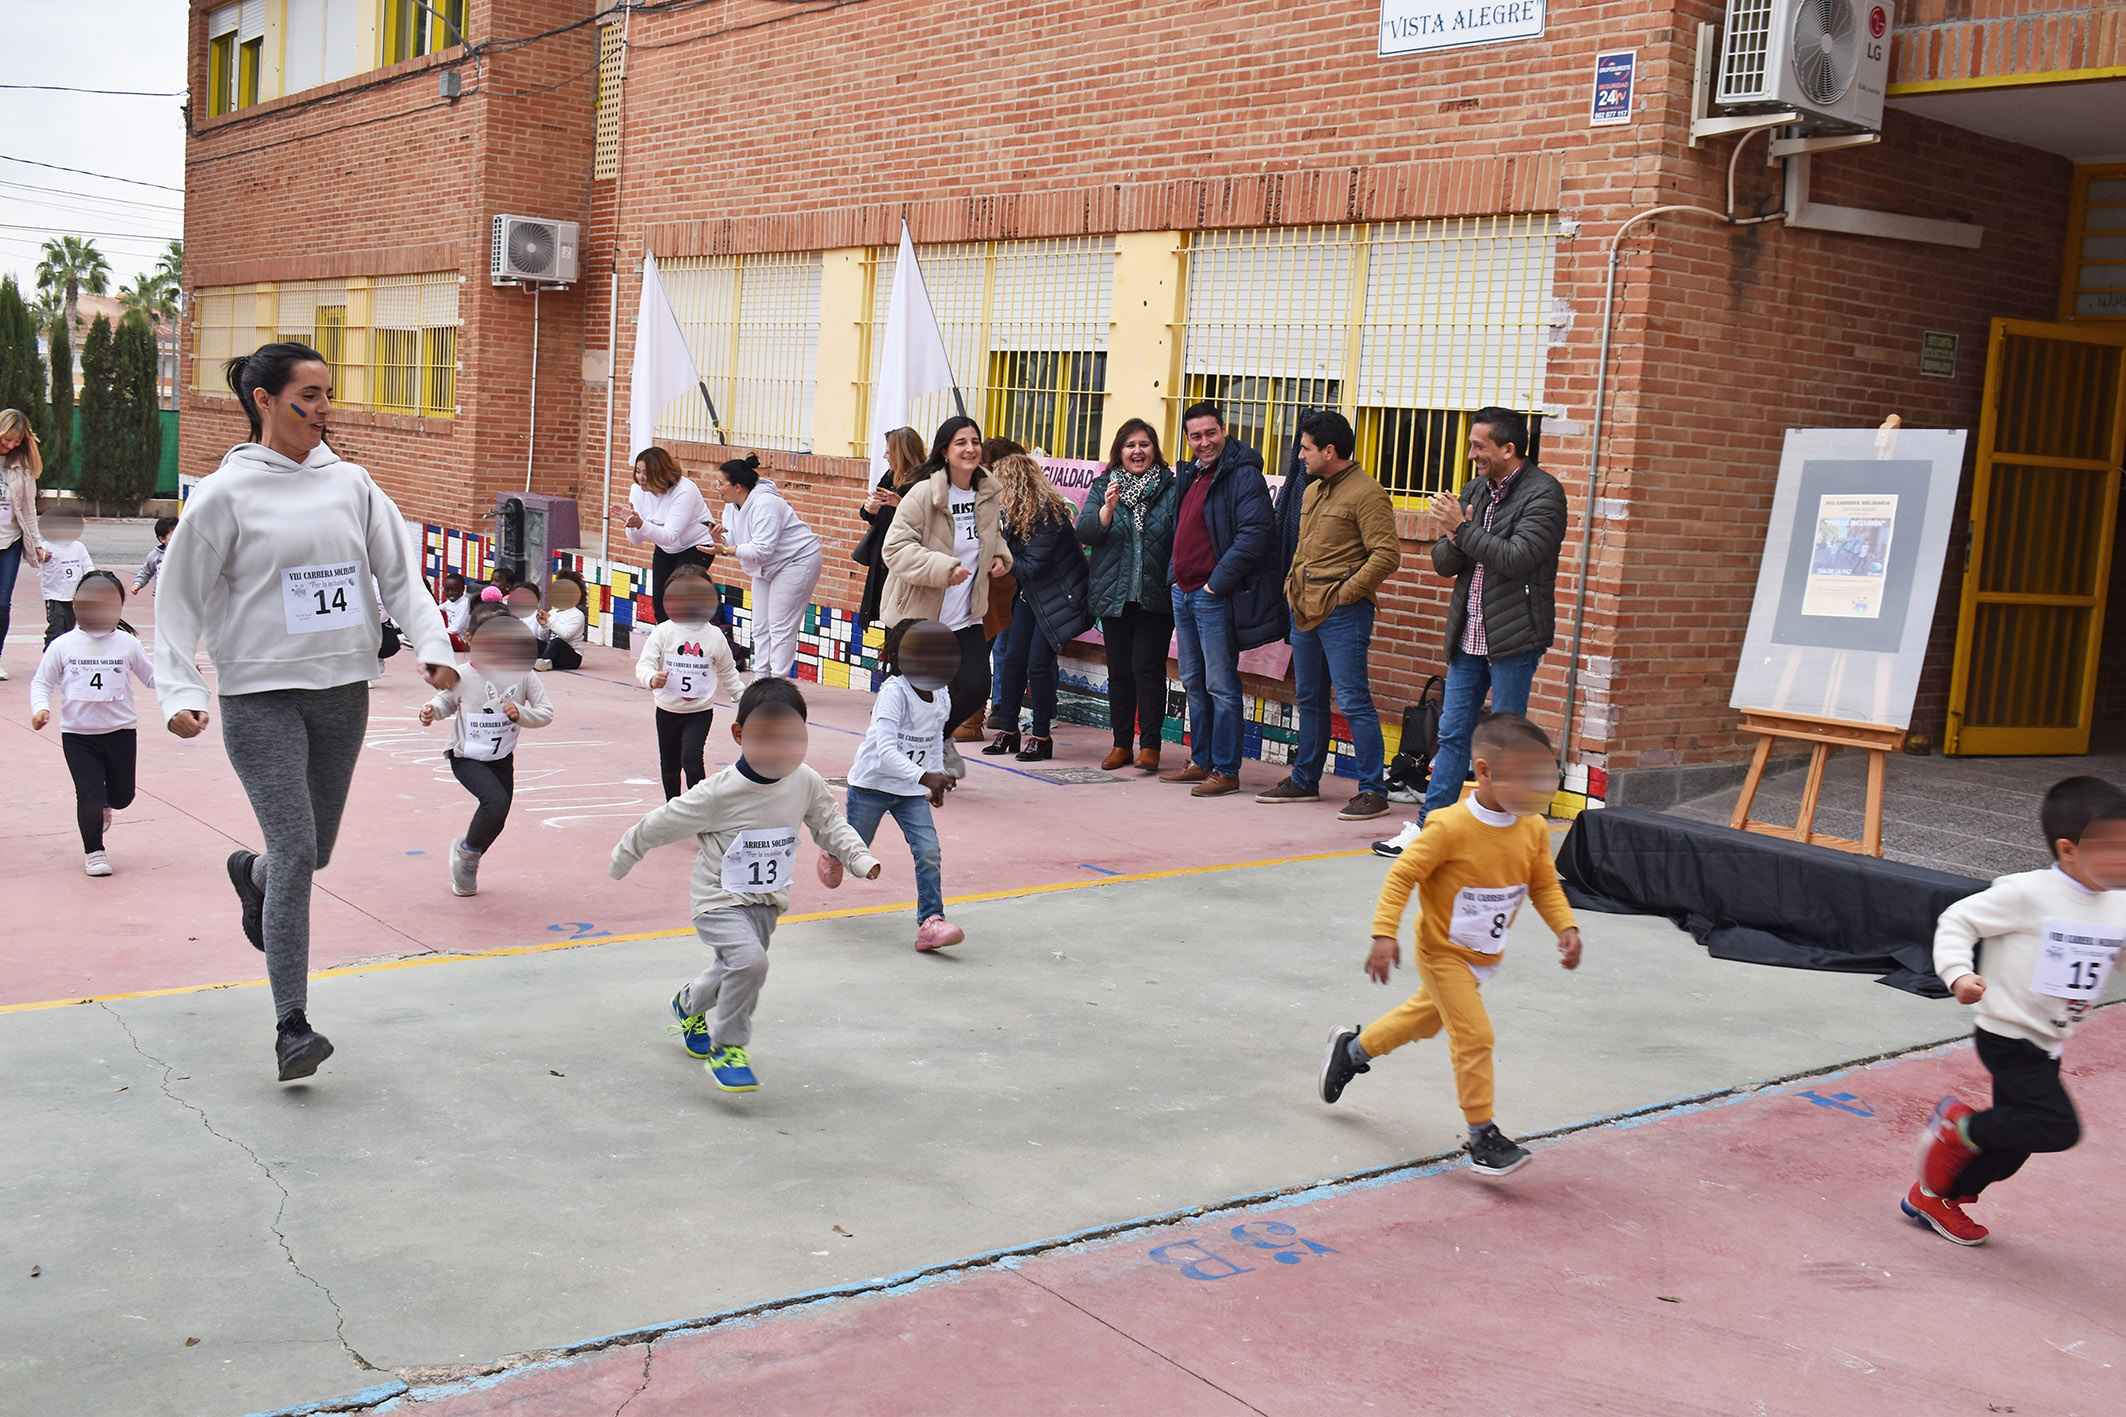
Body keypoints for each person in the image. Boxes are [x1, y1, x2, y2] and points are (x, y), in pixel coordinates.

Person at [155, 342, 457, 1083]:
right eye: (310, 395)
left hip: (341, 691)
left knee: (309, 855)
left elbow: (400, 576)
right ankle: (292, 1022)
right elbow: (177, 601)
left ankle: (250, 875)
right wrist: (182, 692)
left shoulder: (352, 484)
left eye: (328, 394)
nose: (325, 409)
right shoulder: (225, 494)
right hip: (258, 695)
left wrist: (433, 642)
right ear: (264, 400)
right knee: (296, 850)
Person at [1317, 713, 1581, 1178]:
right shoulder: (1448, 827)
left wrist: (1565, 926)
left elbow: (1543, 883)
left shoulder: (1533, 829)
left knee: (1423, 1018)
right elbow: (1402, 875)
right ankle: (1482, 1136)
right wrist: (1384, 932)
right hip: (1442, 952)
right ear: (1483, 772)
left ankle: (1353, 1051)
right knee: (1475, 1036)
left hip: (1484, 955)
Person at [610, 678, 881, 1093]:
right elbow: (662, 822)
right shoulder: (719, 793)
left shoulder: (805, 781)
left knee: (736, 968)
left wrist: (858, 857)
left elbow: (828, 822)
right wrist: (625, 855)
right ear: (740, 734)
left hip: (767, 902)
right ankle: (728, 1048)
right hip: (718, 899)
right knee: (750, 963)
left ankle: (687, 1004)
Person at [1906, 776, 2126, 1246]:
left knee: (2017, 1140)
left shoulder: (2117, 904)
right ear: (2069, 850)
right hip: (2008, 1035)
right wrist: (1957, 973)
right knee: (2056, 1127)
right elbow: (1958, 920)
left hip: (2049, 1040)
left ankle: (1936, 1196)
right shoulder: (2029, 894)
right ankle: (1959, 1127)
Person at [1424, 407, 1568, 823]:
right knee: (1452, 734)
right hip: (1468, 633)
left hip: (1514, 636)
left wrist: (1463, 531)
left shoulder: (1544, 494)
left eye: (1479, 446)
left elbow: (1518, 558)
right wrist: (1454, 534)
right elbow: (1443, 563)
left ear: (1508, 448)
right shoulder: (1474, 490)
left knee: (1506, 740)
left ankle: (1509, 830)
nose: (1471, 455)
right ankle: (1431, 826)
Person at [1257, 410, 1402, 821]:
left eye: (1305, 448)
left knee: (1354, 700)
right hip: (1304, 608)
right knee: (1309, 698)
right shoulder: (1311, 489)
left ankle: (1373, 790)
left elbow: (1386, 554)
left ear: (1329, 450)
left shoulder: (1367, 492)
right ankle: (1305, 780)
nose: (1300, 456)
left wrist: (1346, 594)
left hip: (1343, 613)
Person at [1160, 402, 1285, 798]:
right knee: (1194, 681)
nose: (1203, 442)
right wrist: (1175, 580)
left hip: (1212, 596)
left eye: (1210, 433)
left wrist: (1215, 585)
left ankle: (1226, 770)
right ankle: (1202, 760)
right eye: (1195, 436)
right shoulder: (1192, 473)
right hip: (1185, 592)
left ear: (1224, 430)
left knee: (1221, 685)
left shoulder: (1242, 474)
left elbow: (1256, 534)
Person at [881, 416, 1012, 778]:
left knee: (974, 687)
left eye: (975, 441)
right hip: (922, 615)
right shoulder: (924, 494)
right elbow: (894, 549)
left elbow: (990, 536)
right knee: (914, 696)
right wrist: (942, 568)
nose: (970, 449)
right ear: (945, 451)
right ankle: (892, 759)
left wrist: (1000, 557)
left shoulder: (986, 493)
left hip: (967, 612)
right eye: (960, 443)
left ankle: (935, 739)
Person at [837, 618, 966, 951]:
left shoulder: (941, 695)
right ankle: (833, 851)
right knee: (856, 853)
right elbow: (885, 751)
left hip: (909, 792)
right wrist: (924, 775)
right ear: (902, 658)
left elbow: (935, 737)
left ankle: (930, 922)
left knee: (929, 851)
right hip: (872, 786)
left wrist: (934, 779)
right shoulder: (894, 693)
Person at [421, 606, 555, 897]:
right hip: (466, 757)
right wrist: (432, 710)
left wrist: (520, 713)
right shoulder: (461, 675)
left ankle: (468, 852)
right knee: (493, 801)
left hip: (501, 758)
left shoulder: (524, 675)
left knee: (499, 816)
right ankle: (468, 859)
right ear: (470, 640)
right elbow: (446, 699)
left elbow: (545, 713)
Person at [29, 571, 153, 876]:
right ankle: (94, 852)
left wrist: (183, 675)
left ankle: (108, 805)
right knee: (88, 793)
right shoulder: (63, 645)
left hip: (121, 732)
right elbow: (41, 683)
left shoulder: (127, 644)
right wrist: (40, 708)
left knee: (123, 796)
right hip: (78, 735)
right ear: (75, 605)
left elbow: (152, 678)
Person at [1078, 418, 1177, 773]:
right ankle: (1121, 744)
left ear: (1155, 451)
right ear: (1120, 451)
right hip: (1114, 595)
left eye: (1145, 445)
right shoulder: (1104, 485)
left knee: (1147, 668)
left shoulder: (1171, 488)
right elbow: (1085, 531)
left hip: (1154, 595)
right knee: (1120, 670)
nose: (1138, 451)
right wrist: (1105, 511)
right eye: (1130, 445)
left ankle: (1150, 746)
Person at [983, 452, 1092, 763]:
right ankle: (1008, 731)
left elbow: (1032, 567)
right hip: (1032, 597)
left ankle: (1041, 737)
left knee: (1038, 665)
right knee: (1013, 659)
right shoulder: (1017, 515)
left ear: (1013, 484)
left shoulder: (1047, 516)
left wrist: (1002, 560)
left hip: (1059, 600)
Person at [636, 564, 745, 800]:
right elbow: (644, 665)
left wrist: (744, 699)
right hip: (667, 710)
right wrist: (651, 678)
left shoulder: (714, 635)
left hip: (699, 711)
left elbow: (728, 671)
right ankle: (672, 809)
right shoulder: (663, 632)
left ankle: (699, 807)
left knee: (692, 759)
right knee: (670, 765)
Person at [710, 453, 823, 680]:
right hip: (766, 567)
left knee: (781, 626)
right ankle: (761, 679)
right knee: (761, 625)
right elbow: (736, 543)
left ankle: (778, 684)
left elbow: (762, 549)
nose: (718, 488)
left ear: (738, 486)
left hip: (797, 561)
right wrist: (719, 540)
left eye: (721, 483)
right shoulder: (732, 506)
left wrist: (723, 550)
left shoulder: (766, 503)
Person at [612, 447, 717, 624]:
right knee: (660, 602)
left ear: (661, 473)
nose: (641, 478)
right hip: (665, 547)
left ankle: (689, 645)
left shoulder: (684, 490)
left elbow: (670, 535)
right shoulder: (637, 490)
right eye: (638, 471)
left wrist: (641, 524)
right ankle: (665, 646)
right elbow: (636, 540)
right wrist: (631, 524)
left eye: (647, 473)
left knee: (679, 598)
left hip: (696, 545)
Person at [855, 426, 927, 629]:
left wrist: (894, 507)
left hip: (907, 562)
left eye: (889, 451)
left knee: (901, 622)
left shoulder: (925, 481)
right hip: (885, 559)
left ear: (901, 452)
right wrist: (869, 509)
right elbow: (873, 509)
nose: (885, 456)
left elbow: (922, 522)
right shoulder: (892, 474)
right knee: (888, 618)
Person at [0, 407, 47, 679]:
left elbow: (29, 509)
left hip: (10, 541)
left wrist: (37, 543)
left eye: (17, 442)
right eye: (7, 439)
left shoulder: (22, 467)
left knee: (2, 603)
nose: (10, 445)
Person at [37, 505, 94, 647]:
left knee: (69, 627)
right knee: (56, 626)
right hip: (54, 595)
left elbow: (87, 566)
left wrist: (91, 581)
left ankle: (64, 654)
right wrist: (41, 556)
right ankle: (50, 652)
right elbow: (34, 556)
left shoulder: (79, 547)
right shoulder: (47, 546)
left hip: (74, 596)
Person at [531, 569, 589, 671]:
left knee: (557, 642)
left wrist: (549, 620)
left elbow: (566, 634)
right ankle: (541, 661)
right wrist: (544, 626)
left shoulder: (577, 614)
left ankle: (543, 661)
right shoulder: (553, 613)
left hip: (570, 658)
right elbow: (543, 639)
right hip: (552, 653)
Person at [133, 516, 179, 593]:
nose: (178, 539)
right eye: (174, 536)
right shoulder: (156, 555)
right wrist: (137, 584)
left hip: (181, 596)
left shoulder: (186, 553)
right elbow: (146, 571)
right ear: (162, 539)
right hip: (161, 596)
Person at [438, 570, 473, 651]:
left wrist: (437, 632)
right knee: (436, 613)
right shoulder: (450, 602)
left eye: (454, 590)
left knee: (437, 636)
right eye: (447, 590)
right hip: (448, 633)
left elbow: (456, 629)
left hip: (460, 640)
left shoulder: (464, 605)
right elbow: (436, 609)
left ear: (463, 589)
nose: (450, 593)